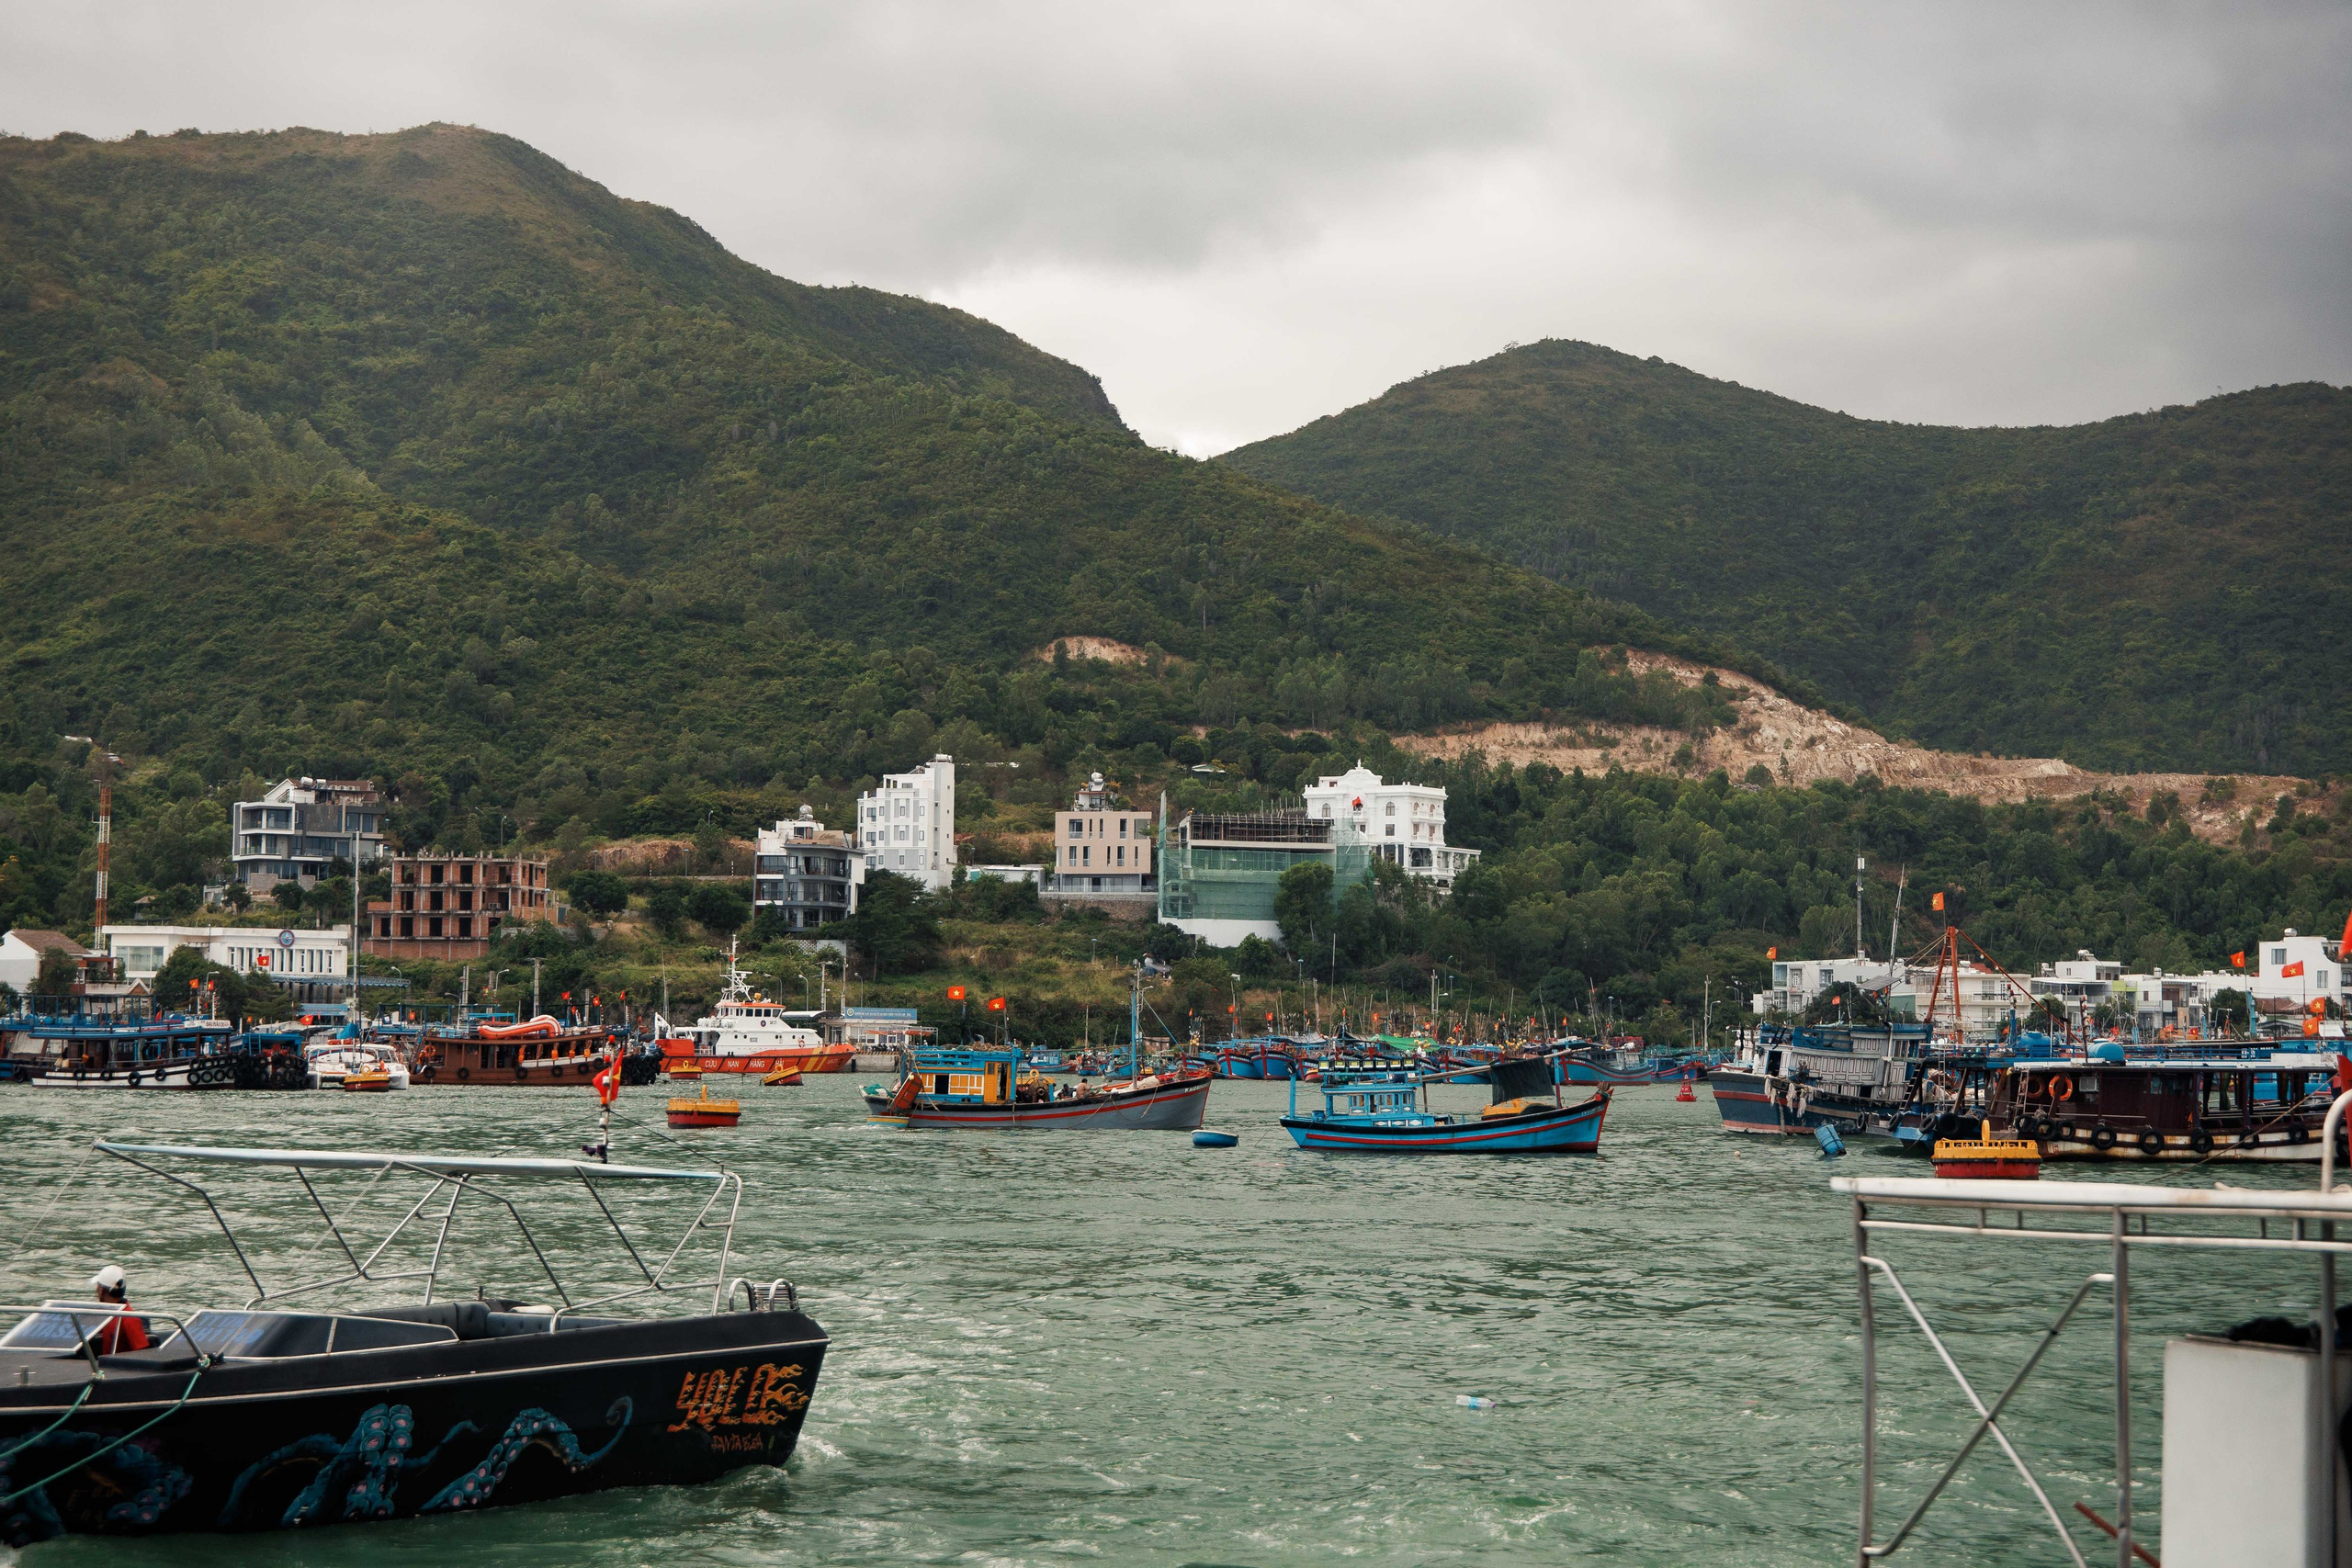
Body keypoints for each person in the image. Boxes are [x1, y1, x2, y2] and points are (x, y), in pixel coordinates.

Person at [86, 1264, 150, 1354]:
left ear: (101, 1290)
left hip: (116, 1366)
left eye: (97, 1286)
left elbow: (143, 1354)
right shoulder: (106, 1314)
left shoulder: (129, 1318)